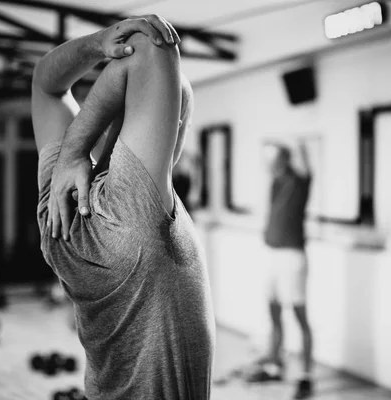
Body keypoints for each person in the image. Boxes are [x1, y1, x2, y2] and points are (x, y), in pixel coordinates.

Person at [32, 15, 215, 400]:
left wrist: (99, 43)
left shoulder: (58, 204)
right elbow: (152, 45)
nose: (174, 124)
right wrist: (78, 147)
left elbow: (45, 85)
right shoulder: (132, 211)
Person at [248, 141, 314, 399]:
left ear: (285, 161)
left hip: (292, 258)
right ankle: (275, 364)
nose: (271, 165)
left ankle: (305, 377)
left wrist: (299, 147)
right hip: (273, 255)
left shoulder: (300, 182)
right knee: (273, 310)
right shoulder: (275, 183)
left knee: (299, 316)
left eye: (275, 160)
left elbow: (307, 167)